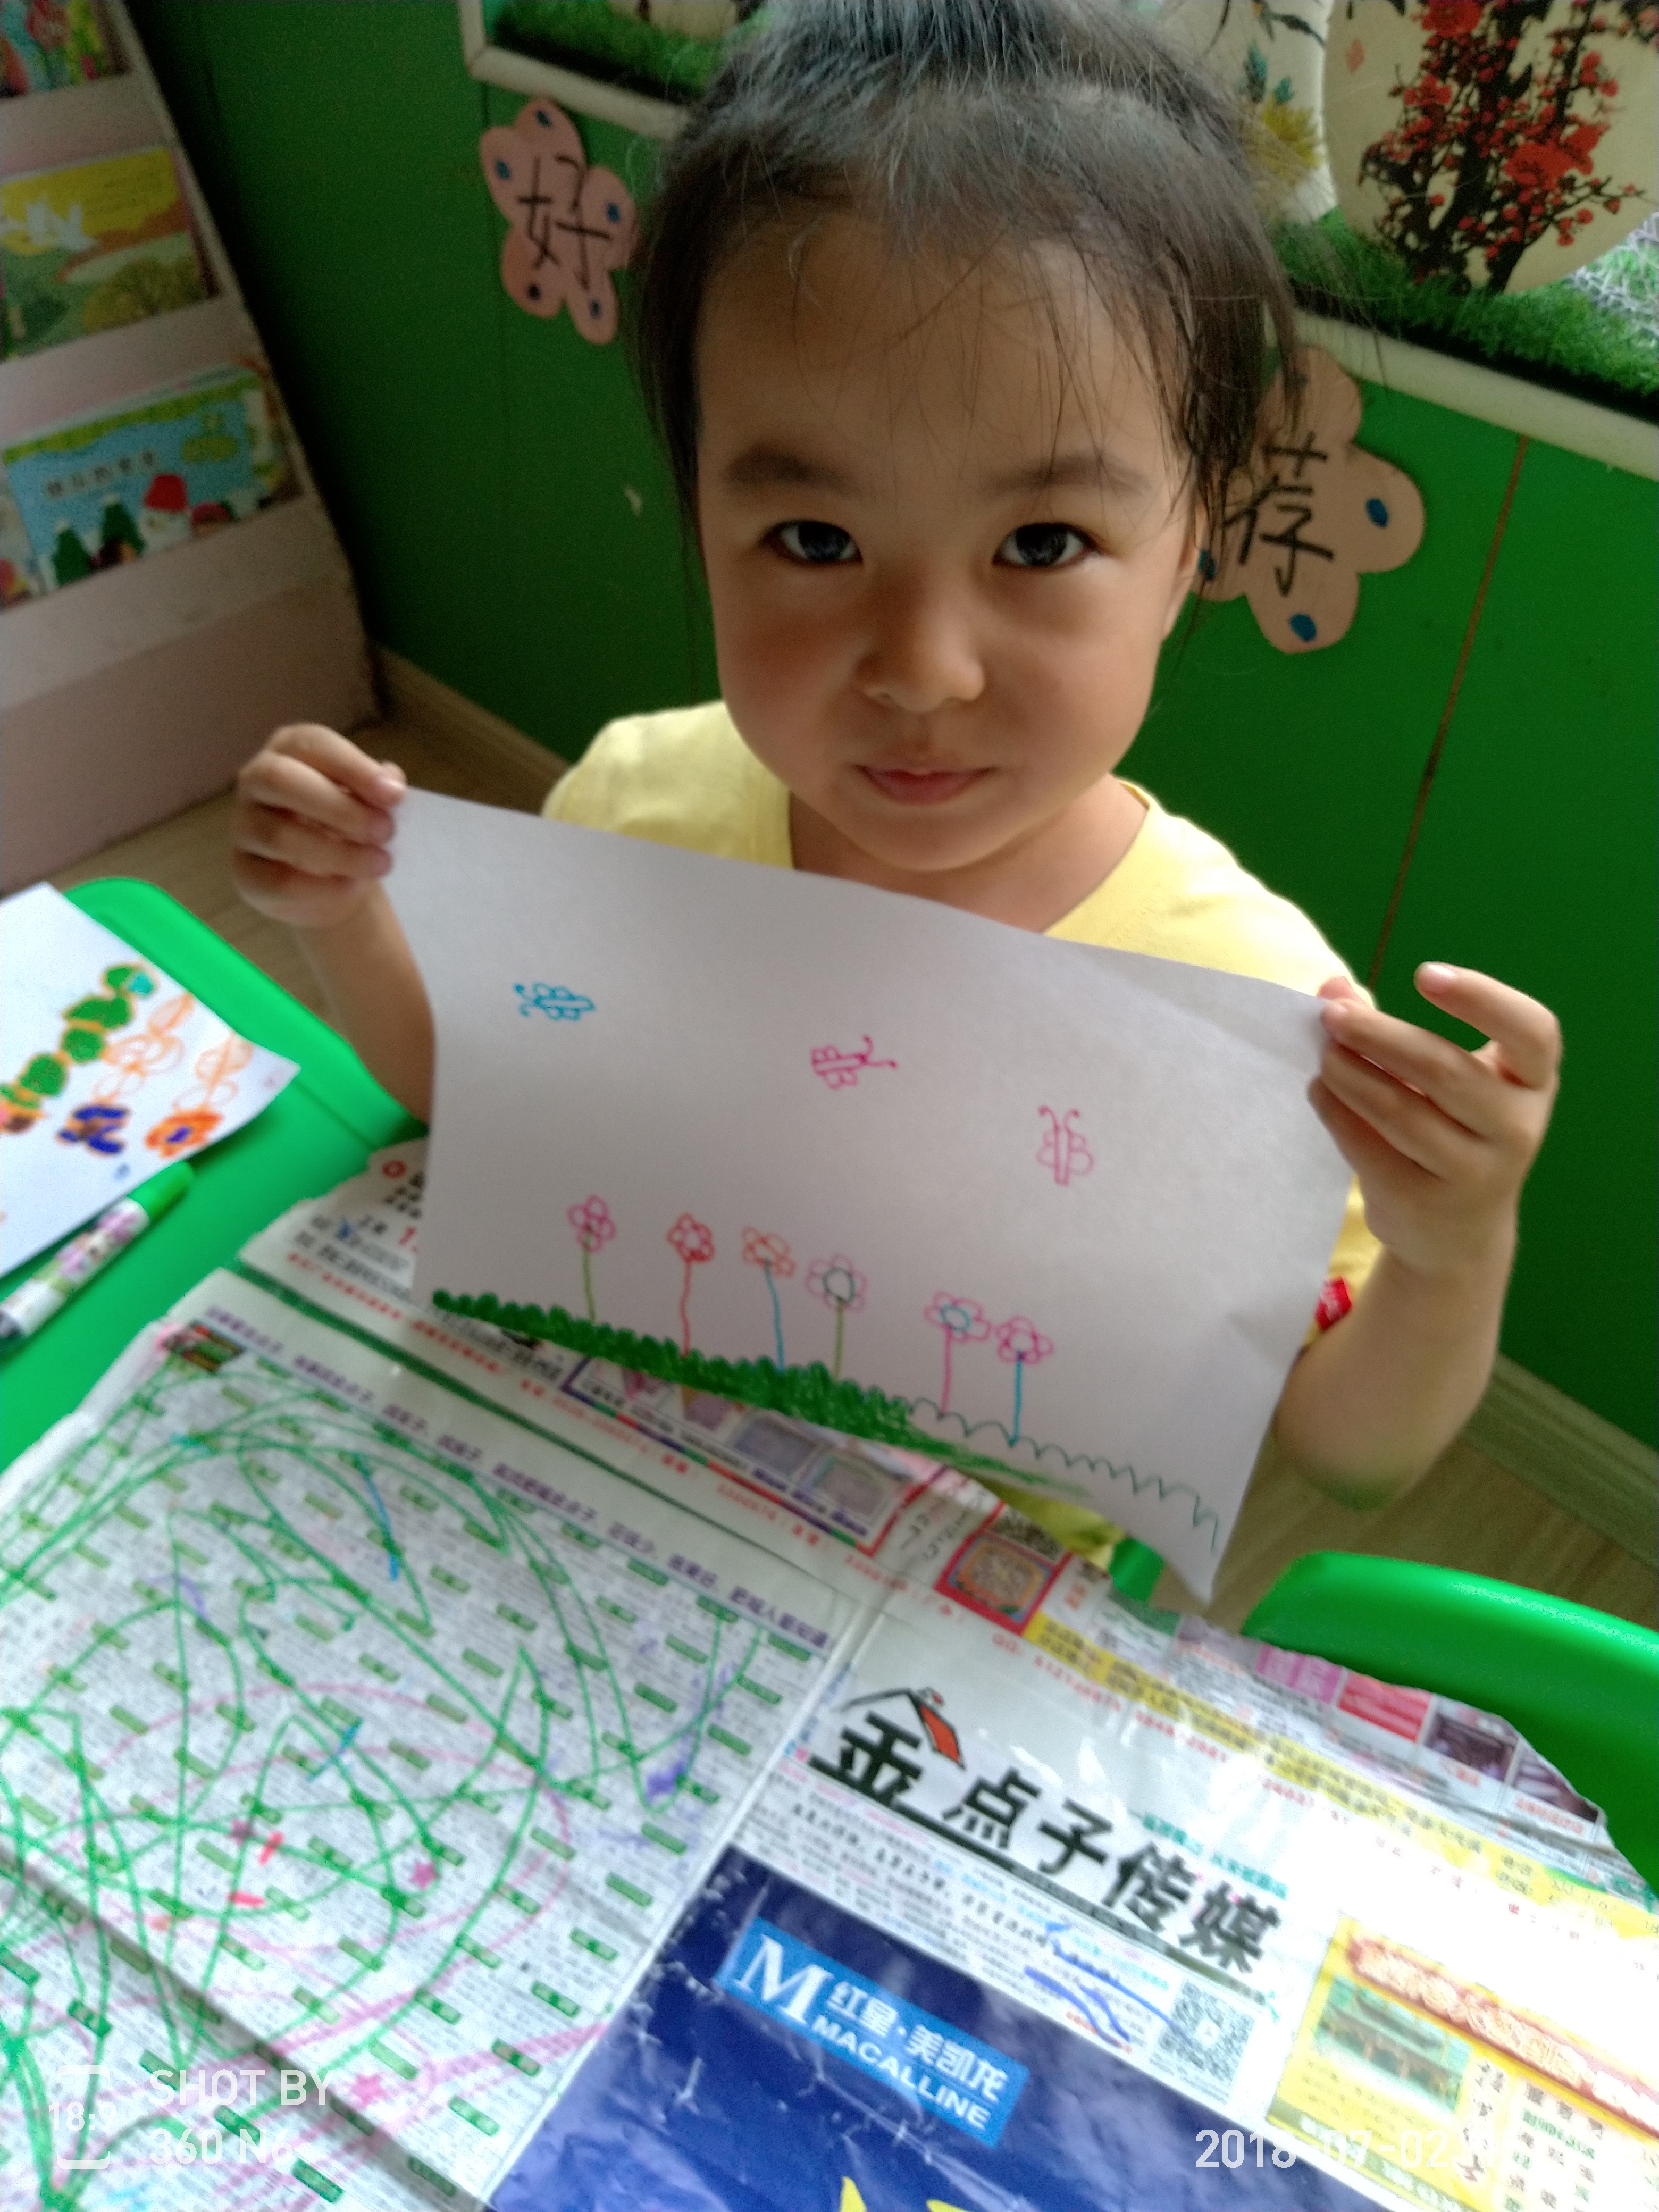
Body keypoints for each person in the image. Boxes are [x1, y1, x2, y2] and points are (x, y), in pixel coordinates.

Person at [230, 0, 1557, 1557]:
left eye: (1043, 543)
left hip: (947, 1605)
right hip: (595, 1501)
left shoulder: (1251, 1006)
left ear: (1194, 539)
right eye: (814, 539)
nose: (923, 669)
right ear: (701, 513)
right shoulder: (638, 808)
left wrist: (1452, 1248)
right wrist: (346, 916)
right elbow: (488, 1110)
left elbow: (1345, 1449)